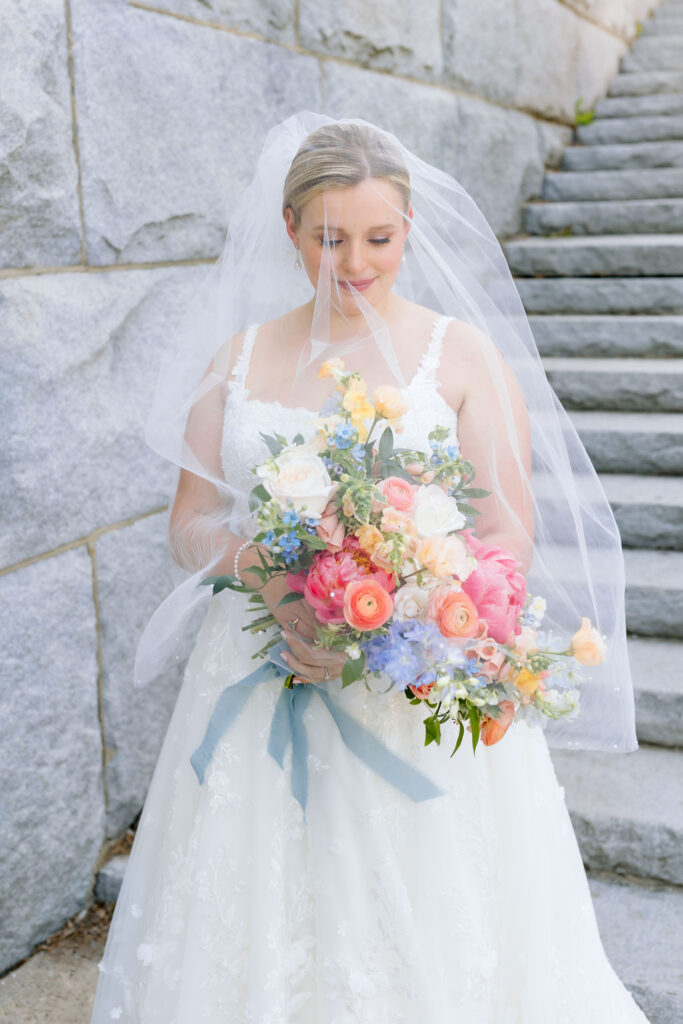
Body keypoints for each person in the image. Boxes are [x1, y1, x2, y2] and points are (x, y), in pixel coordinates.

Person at [89, 113, 648, 1022]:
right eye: (328, 238)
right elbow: (187, 525)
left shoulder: (457, 355)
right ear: (289, 231)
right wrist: (267, 571)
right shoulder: (237, 359)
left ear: (408, 229)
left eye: (377, 238)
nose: (353, 262)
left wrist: (412, 602)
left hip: (410, 681)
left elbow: (506, 527)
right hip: (260, 669)